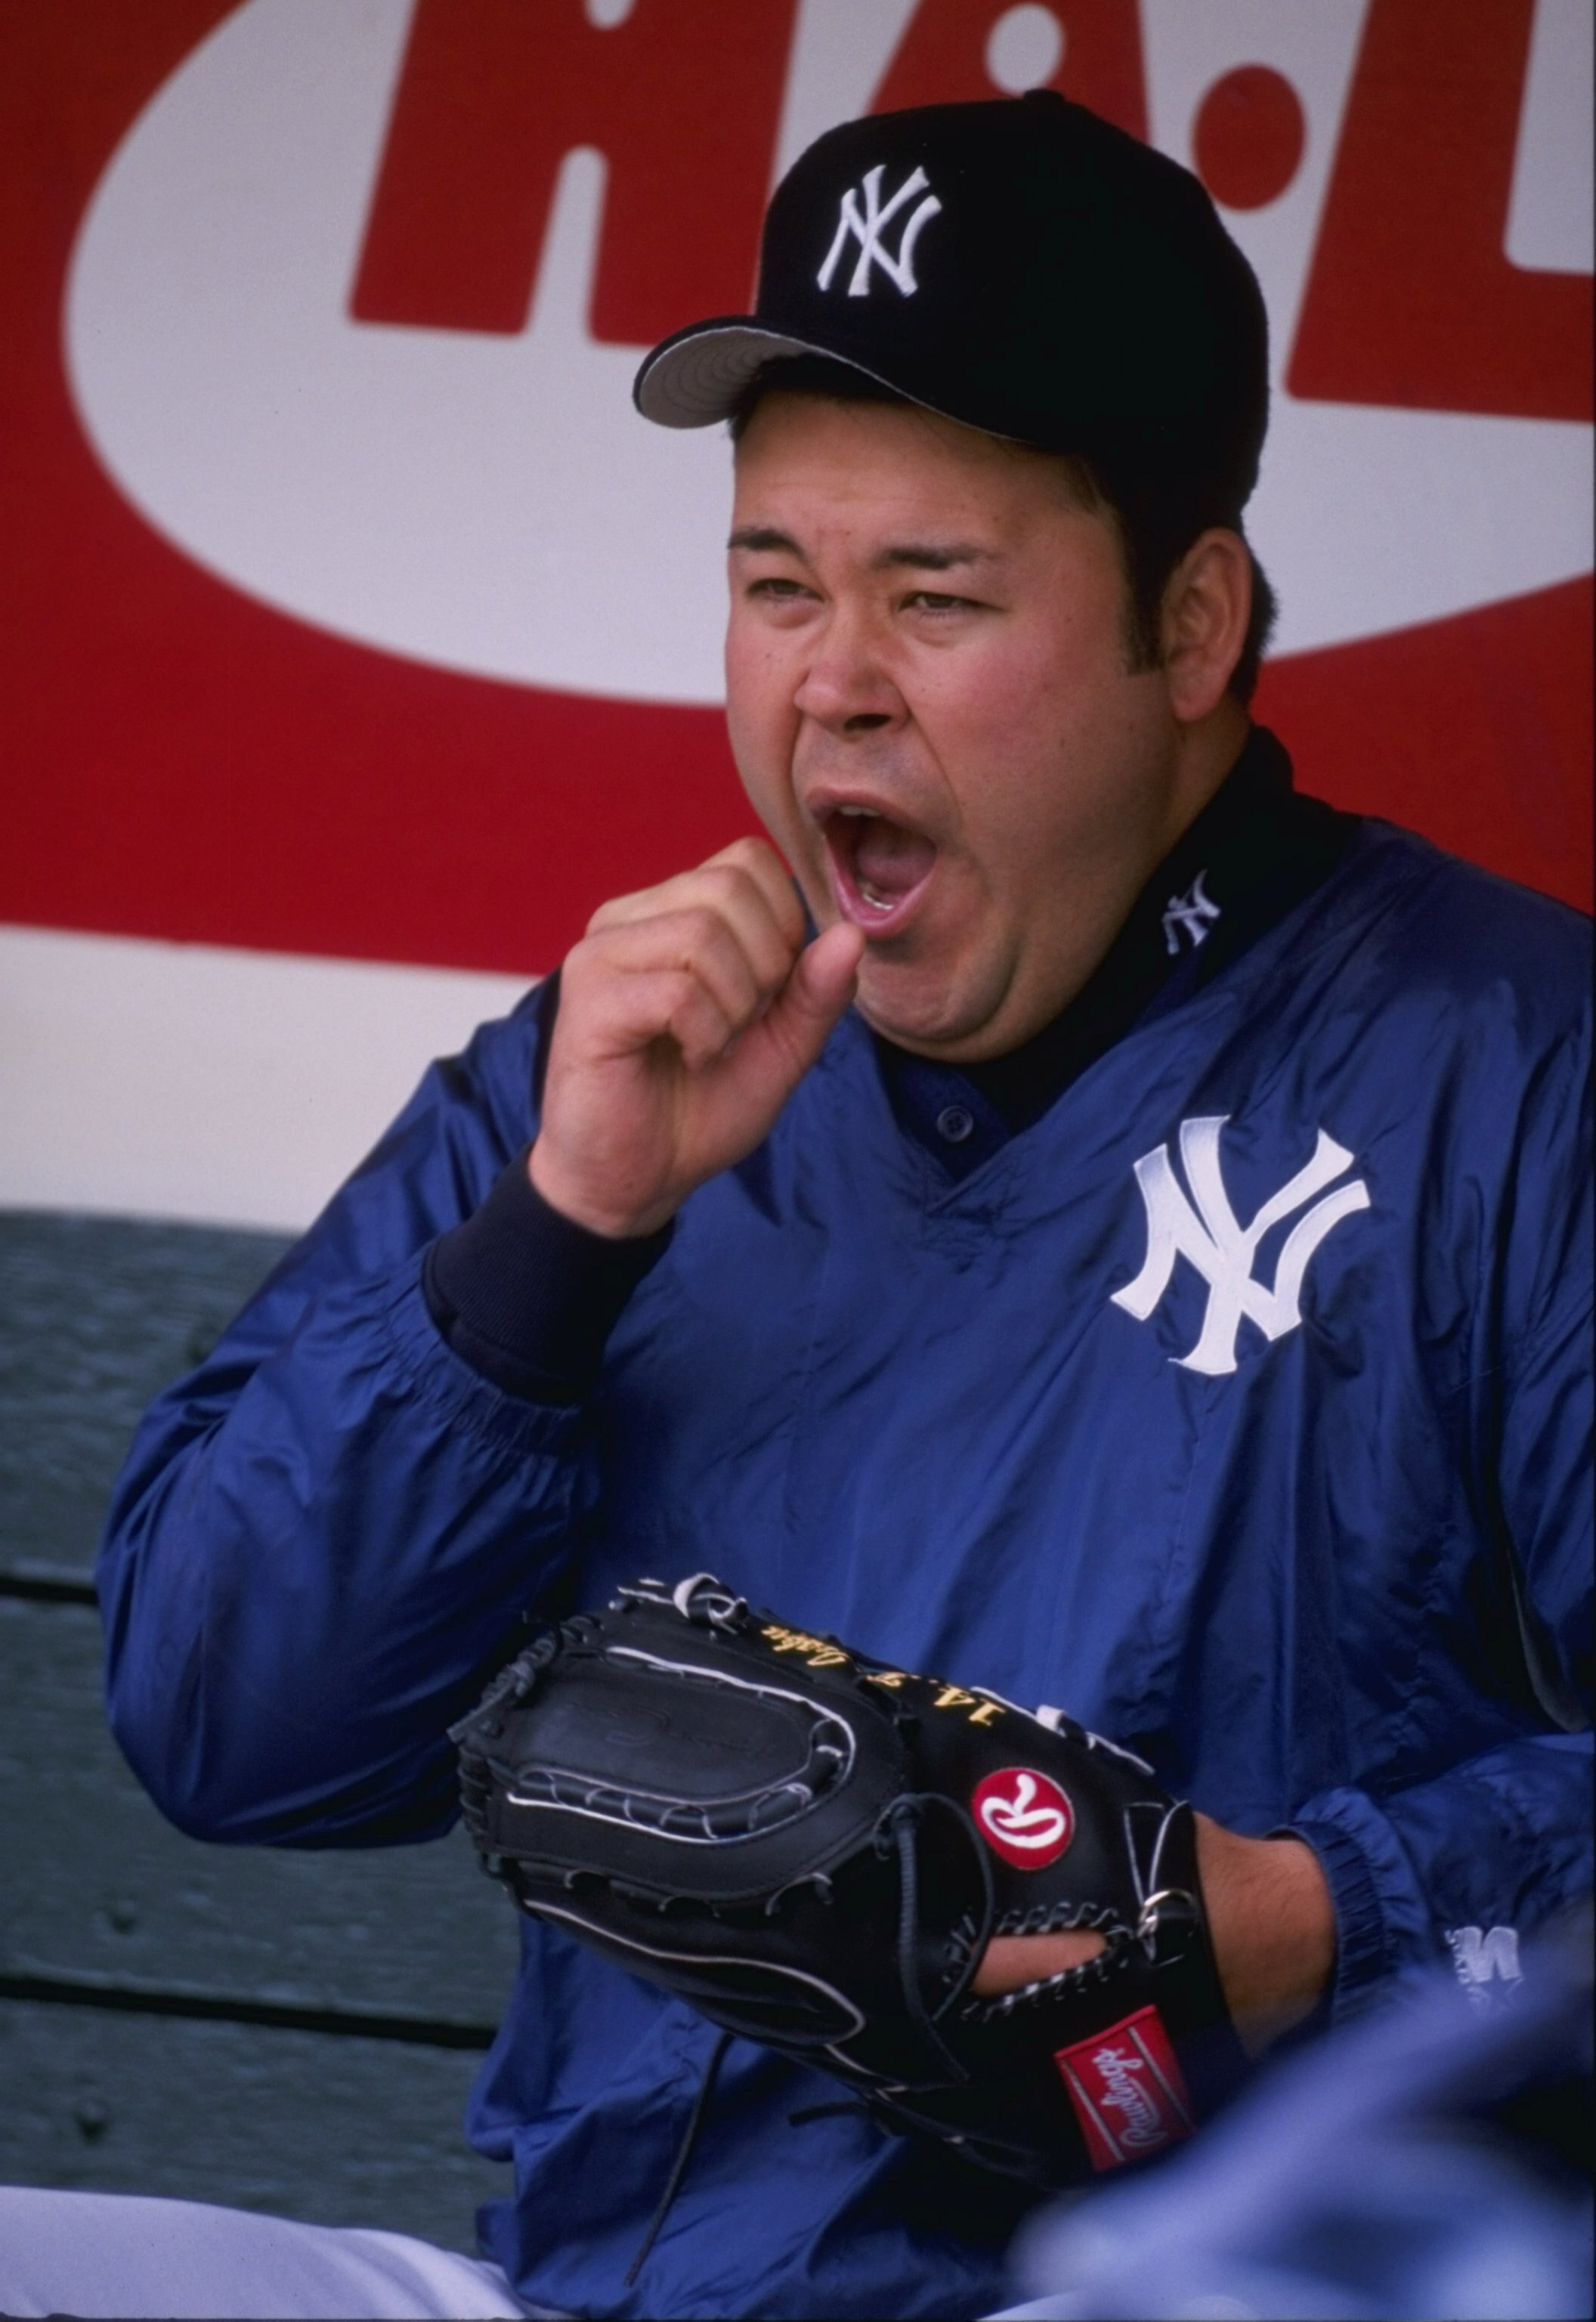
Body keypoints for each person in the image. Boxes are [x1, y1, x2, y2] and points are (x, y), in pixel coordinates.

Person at [9, 91, 1587, 2322]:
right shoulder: (614, 1071)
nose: (828, 682)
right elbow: (224, 1723)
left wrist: (1318, 1916)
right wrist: (555, 1242)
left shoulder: (1512, 1073)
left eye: (934, 596)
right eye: (775, 585)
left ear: (1194, 619)